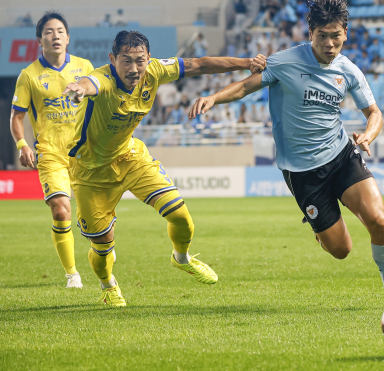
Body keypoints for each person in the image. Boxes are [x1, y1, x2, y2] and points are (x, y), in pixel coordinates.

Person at [189, 0, 384, 304]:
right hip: (302, 172)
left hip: (341, 155)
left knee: (378, 220)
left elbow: (375, 114)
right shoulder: (285, 61)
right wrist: (214, 98)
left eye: (336, 37)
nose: (330, 45)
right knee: (341, 250)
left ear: (346, 33)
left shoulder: (349, 71)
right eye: (323, 37)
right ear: (310, 32)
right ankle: (320, 230)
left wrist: (368, 136)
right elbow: (246, 86)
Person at [62, 31, 266, 306]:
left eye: (140, 61)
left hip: (130, 157)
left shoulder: (155, 71)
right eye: (126, 61)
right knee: (102, 244)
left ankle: (182, 258)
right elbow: (90, 83)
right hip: (90, 172)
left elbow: (199, 64)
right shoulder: (104, 80)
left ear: (148, 59)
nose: (134, 68)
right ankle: (108, 285)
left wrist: (246, 62)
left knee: (181, 217)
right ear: (112, 59)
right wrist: (79, 88)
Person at [10, 11, 94, 288]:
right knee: (60, 210)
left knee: (95, 215)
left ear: (68, 38)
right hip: (50, 154)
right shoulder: (29, 75)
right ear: (39, 40)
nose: (55, 35)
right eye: (49, 31)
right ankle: (72, 274)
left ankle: (102, 246)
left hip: (86, 152)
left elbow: (100, 102)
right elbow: (17, 117)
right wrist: (22, 144)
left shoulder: (85, 67)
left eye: (60, 31)